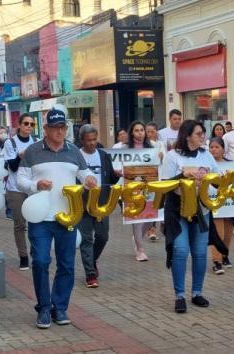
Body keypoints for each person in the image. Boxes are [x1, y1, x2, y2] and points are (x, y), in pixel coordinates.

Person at [17, 106, 97, 329]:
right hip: (40, 216)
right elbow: (20, 180)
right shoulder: (33, 151)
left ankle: (59, 307)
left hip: (68, 217)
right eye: (55, 128)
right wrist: (36, 185)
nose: (60, 131)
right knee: (41, 261)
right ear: (46, 129)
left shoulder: (74, 151)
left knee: (67, 265)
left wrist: (90, 179)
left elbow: (85, 173)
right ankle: (43, 308)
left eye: (63, 127)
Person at [162, 120, 218, 313]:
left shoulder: (207, 155)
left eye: (203, 133)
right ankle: (180, 295)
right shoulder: (172, 156)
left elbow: (217, 180)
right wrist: (183, 175)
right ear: (187, 136)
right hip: (178, 211)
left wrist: (210, 178)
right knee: (180, 250)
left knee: (200, 252)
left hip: (201, 210)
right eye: (198, 134)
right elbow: (165, 184)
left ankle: (197, 292)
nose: (202, 137)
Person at [77, 124, 119, 288]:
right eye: (89, 140)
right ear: (82, 140)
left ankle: (92, 259)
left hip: (101, 203)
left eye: (95, 139)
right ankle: (90, 274)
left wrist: (117, 176)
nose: (92, 143)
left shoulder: (103, 155)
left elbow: (110, 179)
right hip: (82, 202)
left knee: (103, 236)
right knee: (86, 238)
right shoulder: (76, 156)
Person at [4, 114, 38, 270]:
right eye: (26, 123)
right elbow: (12, 167)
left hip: (32, 187)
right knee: (19, 224)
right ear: (19, 125)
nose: (29, 126)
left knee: (36, 222)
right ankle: (23, 256)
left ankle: (36, 252)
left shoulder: (36, 142)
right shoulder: (10, 143)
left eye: (32, 124)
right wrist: (20, 156)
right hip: (16, 188)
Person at [127, 121, 156, 260]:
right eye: (137, 130)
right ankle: (140, 249)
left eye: (142, 130)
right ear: (132, 133)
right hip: (132, 188)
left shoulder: (153, 148)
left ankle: (137, 238)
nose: (140, 132)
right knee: (136, 219)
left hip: (149, 188)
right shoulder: (125, 149)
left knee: (150, 219)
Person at [208, 137, 234, 274]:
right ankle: (216, 261)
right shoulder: (206, 165)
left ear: (223, 149)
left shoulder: (231, 164)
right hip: (214, 204)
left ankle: (225, 255)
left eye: (217, 147)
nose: (214, 150)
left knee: (228, 233)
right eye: (211, 147)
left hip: (230, 204)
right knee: (218, 232)